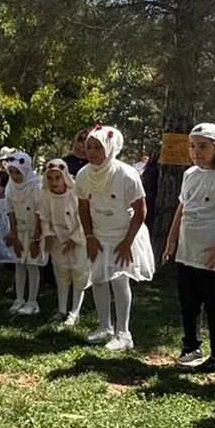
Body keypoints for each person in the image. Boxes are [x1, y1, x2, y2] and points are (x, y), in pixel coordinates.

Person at [163, 123, 215, 373]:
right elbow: (182, 207)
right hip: (187, 250)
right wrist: (172, 240)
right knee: (188, 302)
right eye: (192, 146)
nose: (196, 152)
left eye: (203, 146)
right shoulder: (190, 174)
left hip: (212, 253)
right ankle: (191, 346)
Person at [74, 125, 155, 351]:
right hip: (98, 235)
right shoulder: (83, 175)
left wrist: (127, 242)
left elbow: (141, 211)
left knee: (120, 281)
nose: (91, 152)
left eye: (97, 147)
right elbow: (83, 207)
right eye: (88, 146)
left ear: (110, 148)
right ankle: (104, 327)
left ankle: (124, 333)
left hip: (123, 235)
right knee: (98, 278)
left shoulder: (126, 174)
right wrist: (89, 236)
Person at [38, 159, 90, 327]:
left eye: (57, 178)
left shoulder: (75, 194)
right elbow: (44, 217)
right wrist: (48, 235)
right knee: (61, 274)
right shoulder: (45, 194)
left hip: (77, 240)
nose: (54, 182)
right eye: (50, 178)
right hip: (58, 239)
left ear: (64, 177)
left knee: (78, 274)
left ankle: (74, 311)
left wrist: (74, 239)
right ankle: (61, 309)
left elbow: (83, 218)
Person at [4, 151, 46, 316]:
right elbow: (11, 212)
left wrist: (36, 238)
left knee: (32, 265)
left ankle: (32, 300)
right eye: (11, 172)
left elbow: (39, 213)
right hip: (19, 231)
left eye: (18, 172)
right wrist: (14, 236)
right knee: (19, 264)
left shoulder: (36, 187)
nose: (14, 176)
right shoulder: (10, 187)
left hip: (34, 230)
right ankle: (19, 298)